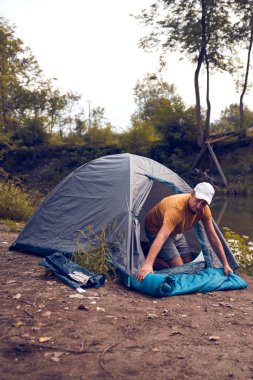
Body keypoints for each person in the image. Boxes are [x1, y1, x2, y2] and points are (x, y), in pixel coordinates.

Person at [136, 182, 233, 282]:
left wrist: (225, 264)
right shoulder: (177, 208)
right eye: (198, 200)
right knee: (180, 268)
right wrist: (148, 263)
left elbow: (213, 237)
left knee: (189, 263)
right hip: (156, 229)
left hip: (175, 231)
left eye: (203, 203)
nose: (199, 206)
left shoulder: (205, 211)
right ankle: (146, 257)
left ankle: (156, 252)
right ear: (192, 193)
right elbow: (162, 236)